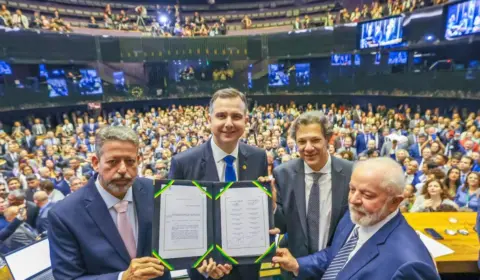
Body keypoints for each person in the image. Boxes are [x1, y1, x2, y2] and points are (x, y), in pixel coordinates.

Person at [272, 158, 440, 280]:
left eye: (367, 195)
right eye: (352, 189)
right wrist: (297, 264)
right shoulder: (357, 216)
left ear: (395, 202)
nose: (353, 200)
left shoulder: (410, 266)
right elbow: (335, 254)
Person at [169, 88, 268, 280]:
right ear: (209, 119)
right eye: (221, 116)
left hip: (248, 270)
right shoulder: (183, 163)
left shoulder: (258, 157)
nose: (229, 123)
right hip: (205, 272)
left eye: (236, 116)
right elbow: (177, 224)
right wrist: (200, 263)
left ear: (246, 121)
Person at [48, 126, 171, 280]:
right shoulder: (64, 215)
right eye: (113, 162)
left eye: (130, 161)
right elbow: (67, 278)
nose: (122, 169)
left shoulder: (158, 192)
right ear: (95, 162)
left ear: (138, 161)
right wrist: (121, 278)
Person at [273, 111, 353, 280]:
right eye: (302, 141)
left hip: (338, 270)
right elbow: (281, 225)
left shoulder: (351, 172)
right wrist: (271, 205)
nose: (308, 148)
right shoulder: (283, 174)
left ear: (329, 139)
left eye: (315, 140)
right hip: (294, 271)